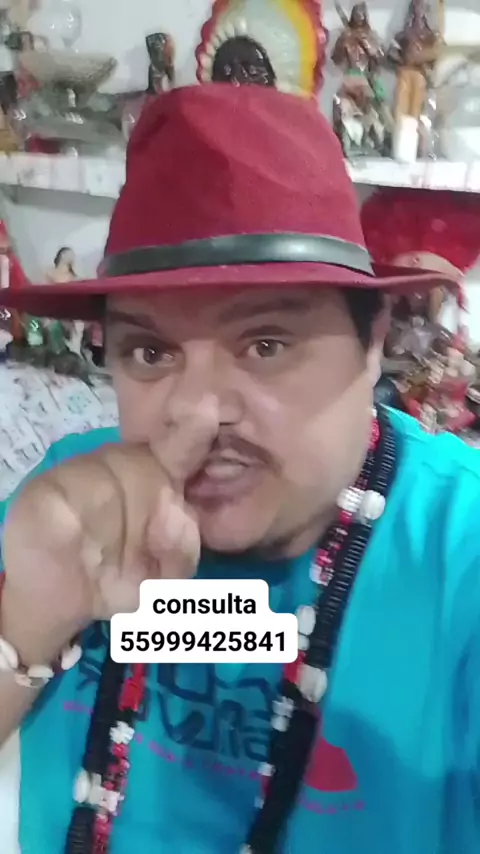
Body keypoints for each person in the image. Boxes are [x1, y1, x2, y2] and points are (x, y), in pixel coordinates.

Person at [0, 84, 478, 854]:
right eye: (149, 351)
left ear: (374, 342)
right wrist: (28, 622)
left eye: (266, 344)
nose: (197, 413)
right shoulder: (73, 505)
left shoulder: (459, 558)